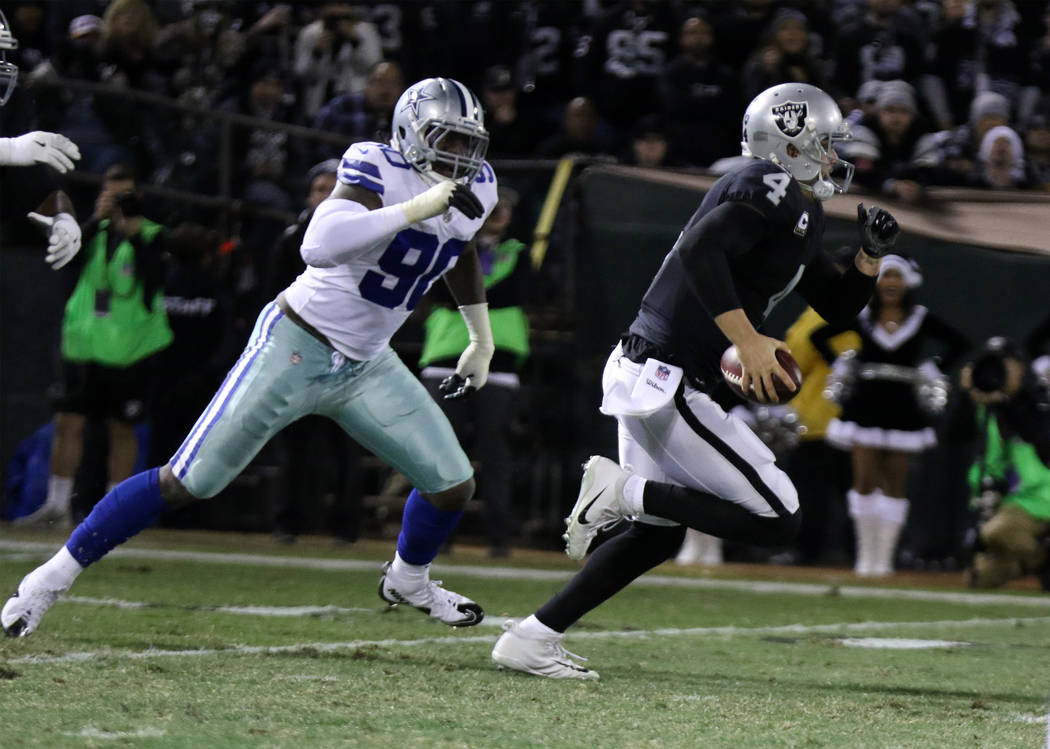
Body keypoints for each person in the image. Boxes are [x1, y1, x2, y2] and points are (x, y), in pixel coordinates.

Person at [2, 77, 499, 638]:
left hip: (367, 363)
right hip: (297, 343)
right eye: (446, 138)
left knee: (452, 483)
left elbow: (458, 248)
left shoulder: (479, 184)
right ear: (409, 133)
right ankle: (47, 579)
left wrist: (479, 338)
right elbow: (318, 246)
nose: (459, 153)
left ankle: (408, 580)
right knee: (187, 482)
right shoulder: (376, 164)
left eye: (468, 141)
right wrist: (412, 208)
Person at [492, 82, 899, 679]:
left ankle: (532, 637)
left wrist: (868, 257)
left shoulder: (799, 209)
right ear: (790, 145)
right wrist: (747, 339)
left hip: (659, 372)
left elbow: (836, 306)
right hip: (666, 373)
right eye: (826, 144)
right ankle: (622, 493)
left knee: (657, 535)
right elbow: (700, 250)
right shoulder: (767, 183)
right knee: (777, 515)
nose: (837, 157)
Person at [18, 163, 171, 528]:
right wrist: (91, 221)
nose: (116, 201)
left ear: (139, 197)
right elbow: (63, 261)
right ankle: (57, 506)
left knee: (122, 428)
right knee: (67, 422)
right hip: (84, 345)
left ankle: (114, 512)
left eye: (124, 195)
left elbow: (155, 280)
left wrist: (134, 234)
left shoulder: (153, 234)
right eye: (110, 193)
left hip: (130, 350)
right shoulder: (92, 232)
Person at [810, 255, 969, 576]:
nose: (891, 283)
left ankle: (883, 559)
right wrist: (842, 363)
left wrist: (933, 365)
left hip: (903, 408)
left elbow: (960, 343)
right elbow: (818, 337)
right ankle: (865, 557)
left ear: (908, 282)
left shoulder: (920, 318)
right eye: (885, 276)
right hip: (865, 404)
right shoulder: (863, 316)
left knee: (895, 481)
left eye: (897, 276)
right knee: (864, 480)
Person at [418, 187, 531, 557]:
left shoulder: (519, 253)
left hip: (499, 368)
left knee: (496, 456)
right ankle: (436, 535)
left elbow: (516, 292)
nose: (499, 212)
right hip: (444, 361)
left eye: (505, 206)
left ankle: (498, 538)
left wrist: (465, 292)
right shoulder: (448, 246)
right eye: (492, 206)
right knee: (441, 454)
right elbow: (438, 291)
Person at [949, 337, 1050, 589]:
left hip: (1042, 496)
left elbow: (1040, 436)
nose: (999, 371)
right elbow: (953, 434)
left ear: (1020, 367)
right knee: (979, 577)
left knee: (997, 532)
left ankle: (1042, 562)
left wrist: (1007, 401)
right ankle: (1035, 562)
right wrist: (966, 394)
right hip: (1012, 499)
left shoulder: (1038, 397)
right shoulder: (985, 402)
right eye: (993, 363)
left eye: (1006, 362)